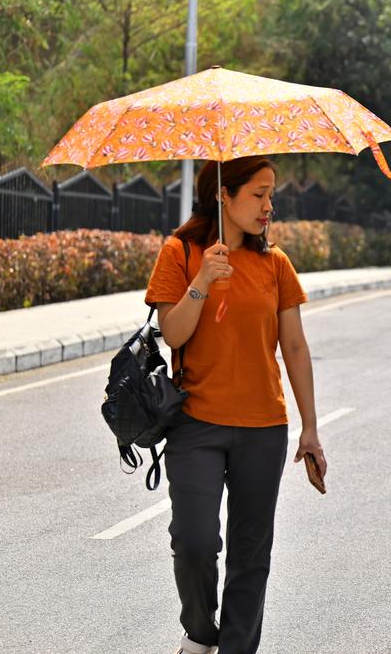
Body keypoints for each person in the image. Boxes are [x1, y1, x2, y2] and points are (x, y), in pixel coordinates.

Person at [145, 156, 323, 654]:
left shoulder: (276, 264)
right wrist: (202, 278)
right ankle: (201, 632)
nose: (270, 206)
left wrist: (310, 427)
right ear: (224, 193)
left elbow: (295, 348)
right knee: (195, 542)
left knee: (251, 554)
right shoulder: (180, 253)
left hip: (263, 427)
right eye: (259, 195)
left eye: (272, 195)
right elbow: (172, 335)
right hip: (196, 424)